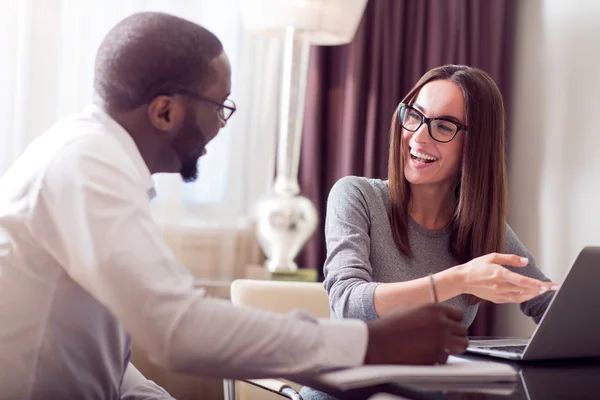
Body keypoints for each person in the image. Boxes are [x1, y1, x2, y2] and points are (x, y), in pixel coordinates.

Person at [0, 13, 469, 399]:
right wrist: (372, 342)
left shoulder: (97, 164)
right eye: (220, 106)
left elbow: (106, 360)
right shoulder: (86, 170)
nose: (223, 125)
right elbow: (178, 330)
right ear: (165, 111)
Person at [299, 64, 558, 400]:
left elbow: (545, 301)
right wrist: (458, 279)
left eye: (443, 126)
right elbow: (348, 302)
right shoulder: (357, 196)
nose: (418, 137)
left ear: (475, 144)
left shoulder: (481, 229)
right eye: (415, 116)